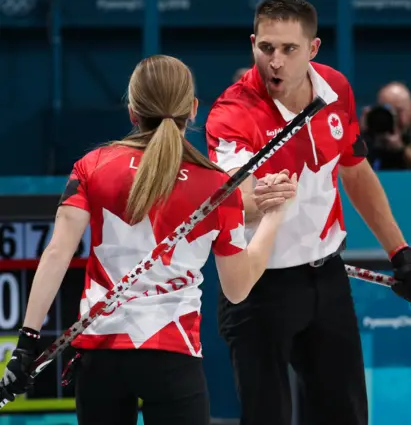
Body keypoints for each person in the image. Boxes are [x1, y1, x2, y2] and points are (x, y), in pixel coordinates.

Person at [0, 55, 296, 425]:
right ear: (193, 110)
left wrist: (26, 343)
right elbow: (238, 289)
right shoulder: (218, 187)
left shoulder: (92, 166)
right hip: (173, 360)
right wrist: (275, 214)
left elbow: (57, 254)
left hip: (101, 358)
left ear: (132, 110)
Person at [205, 0, 411, 425]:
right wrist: (264, 197)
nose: (275, 61)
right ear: (253, 43)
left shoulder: (336, 90)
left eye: (289, 49)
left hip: (327, 277)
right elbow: (234, 205)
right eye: (266, 48)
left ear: (312, 49)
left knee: (346, 416)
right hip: (258, 290)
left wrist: (401, 255)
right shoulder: (231, 113)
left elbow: (356, 172)